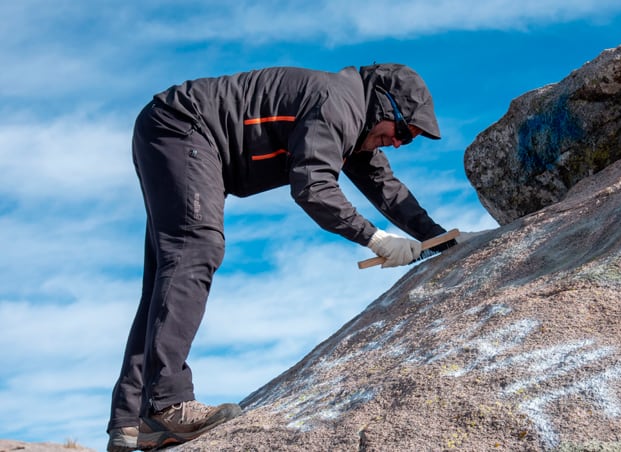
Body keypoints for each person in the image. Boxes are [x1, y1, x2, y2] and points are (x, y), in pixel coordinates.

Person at [107, 63, 457, 451]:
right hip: (182, 126)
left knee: (170, 273)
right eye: (404, 133)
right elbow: (313, 186)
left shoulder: (356, 126)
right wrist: (374, 238)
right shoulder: (338, 106)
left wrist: (441, 239)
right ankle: (167, 405)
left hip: (174, 130)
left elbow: (386, 189)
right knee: (197, 249)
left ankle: (130, 421)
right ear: (385, 108)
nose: (397, 144)